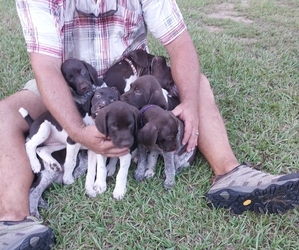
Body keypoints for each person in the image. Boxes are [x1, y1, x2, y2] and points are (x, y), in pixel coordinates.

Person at [1, 0, 299, 249]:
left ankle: (231, 174)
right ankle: (14, 221)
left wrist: (190, 104)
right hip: (69, 82)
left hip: (132, 81)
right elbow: (46, 66)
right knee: (5, 114)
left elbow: (180, 43)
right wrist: (79, 131)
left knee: (198, 84)